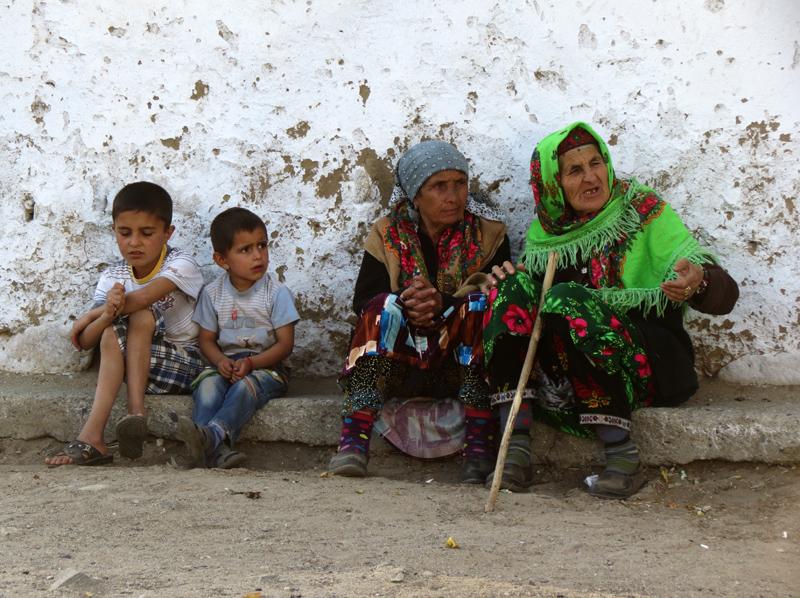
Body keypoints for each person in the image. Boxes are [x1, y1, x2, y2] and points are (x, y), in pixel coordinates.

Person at [484, 122, 738, 498]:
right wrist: (506, 287)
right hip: (570, 389)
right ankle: (515, 449)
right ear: (553, 185)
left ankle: (622, 457)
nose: (591, 177)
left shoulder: (641, 211)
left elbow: (725, 295)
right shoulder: (546, 236)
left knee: (567, 297)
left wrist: (697, 282)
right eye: (574, 170)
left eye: (596, 163)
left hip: (644, 370)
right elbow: (536, 323)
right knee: (509, 289)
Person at [329, 140, 511, 481]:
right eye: (439, 187)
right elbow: (364, 300)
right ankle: (352, 445)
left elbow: (499, 296)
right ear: (415, 195)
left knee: (479, 307)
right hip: (401, 368)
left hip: (459, 371)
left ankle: (479, 452)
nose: (453, 196)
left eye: (460, 184)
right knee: (383, 307)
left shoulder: (489, 234)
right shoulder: (386, 234)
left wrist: (446, 303)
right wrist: (407, 303)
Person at [46, 182, 207, 466]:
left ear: (167, 233)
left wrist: (88, 316)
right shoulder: (113, 275)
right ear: (114, 232)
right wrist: (105, 315)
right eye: (125, 233)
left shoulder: (181, 263)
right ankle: (94, 436)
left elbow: (144, 297)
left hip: (188, 366)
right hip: (139, 370)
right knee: (109, 327)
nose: (134, 242)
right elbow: (84, 342)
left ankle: (135, 412)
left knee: (142, 313)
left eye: (146, 233)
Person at [177, 207, 299, 469]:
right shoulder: (212, 294)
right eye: (245, 249)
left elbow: (286, 345)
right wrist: (220, 361)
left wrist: (252, 364)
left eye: (262, 245)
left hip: (267, 368)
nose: (258, 255)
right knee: (207, 386)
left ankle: (214, 435)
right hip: (227, 365)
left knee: (246, 387)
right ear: (222, 260)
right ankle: (215, 450)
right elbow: (207, 340)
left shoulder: (276, 293)